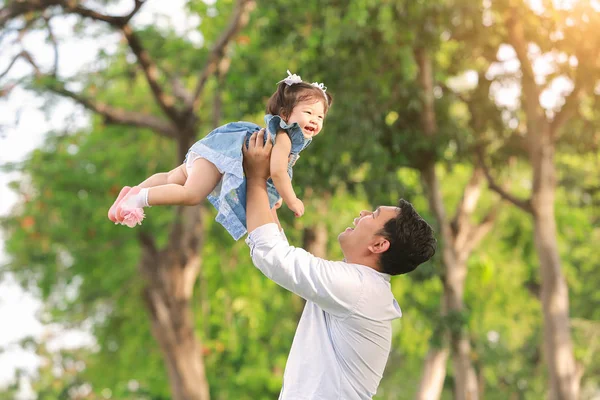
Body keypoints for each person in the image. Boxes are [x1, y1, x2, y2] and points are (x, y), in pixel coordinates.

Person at [242, 129, 437, 399]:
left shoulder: (358, 289)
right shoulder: (361, 287)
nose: (363, 213)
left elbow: (273, 256)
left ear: (379, 245)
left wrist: (255, 178)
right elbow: (284, 257)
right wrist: (266, 190)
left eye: (374, 214)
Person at [107, 70, 333, 240]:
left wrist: (278, 196)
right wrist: (292, 199)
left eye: (320, 116)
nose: (315, 119)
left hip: (213, 151)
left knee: (170, 178)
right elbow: (277, 172)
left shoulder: (285, 139)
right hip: (219, 158)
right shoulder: (284, 136)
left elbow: (272, 177)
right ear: (285, 114)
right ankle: (137, 199)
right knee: (192, 194)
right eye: (308, 112)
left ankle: (133, 191)